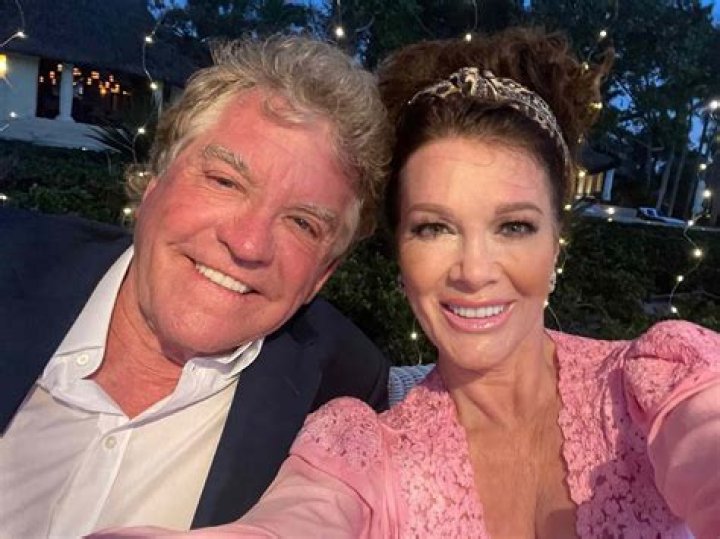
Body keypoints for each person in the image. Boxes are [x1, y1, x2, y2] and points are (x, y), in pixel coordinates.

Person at [94, 28, 720, 539]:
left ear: (556, 242)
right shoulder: (363, 442)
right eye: (434, 228)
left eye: (513, 226)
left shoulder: (654, 382)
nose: (473, 270)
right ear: (399, 255)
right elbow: (301, 520)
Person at [0, 35, 393, 537]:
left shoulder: (342, 385)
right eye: (225, 182)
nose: (248, 244)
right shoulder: (13, 257)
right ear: (154, 180)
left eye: (302, 223)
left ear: (322, 275)